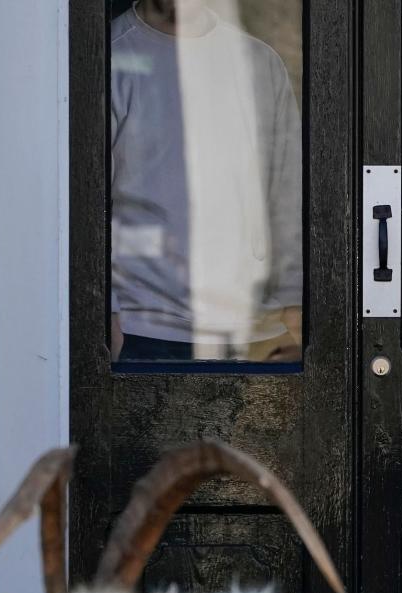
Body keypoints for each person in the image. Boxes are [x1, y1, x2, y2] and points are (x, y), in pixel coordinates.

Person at [109, 0, 302, 361]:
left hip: (254, 330)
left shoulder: (258, 61)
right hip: (145, 329)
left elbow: (289, 196)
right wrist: (107, 315)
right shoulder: (110, 57)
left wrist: (296, 321)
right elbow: (80, 205)